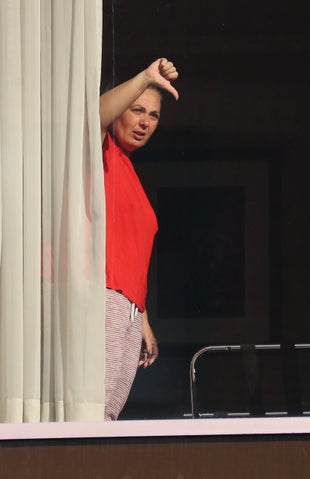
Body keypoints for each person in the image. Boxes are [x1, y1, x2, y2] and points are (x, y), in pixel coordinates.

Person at [99, 58, 179, 420]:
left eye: (154, 115)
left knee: (108, 415)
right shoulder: (98, 152)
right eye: (136, 110)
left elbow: (130, 251)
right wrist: (145, 77)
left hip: (128, 306)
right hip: (103, 297)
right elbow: (92, 115)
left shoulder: (128, 171)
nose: (145, 122)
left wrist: (143, 318)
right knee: (92, 411)